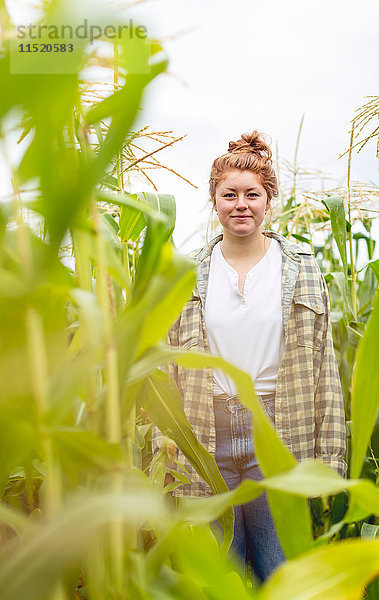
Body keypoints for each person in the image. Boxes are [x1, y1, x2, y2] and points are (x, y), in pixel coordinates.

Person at [152, 131, 347, 583]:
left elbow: (324, 369)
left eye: (252, 195)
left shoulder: (301, 268)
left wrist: (330, 460)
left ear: (268, 200)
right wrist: (165, 457)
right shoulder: (187, 275)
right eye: (230, 194)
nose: (241, 204)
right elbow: (167, 368)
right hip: (205, 437)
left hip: (277, 435)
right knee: (223, 576)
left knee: (280, 573)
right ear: (214, 201)